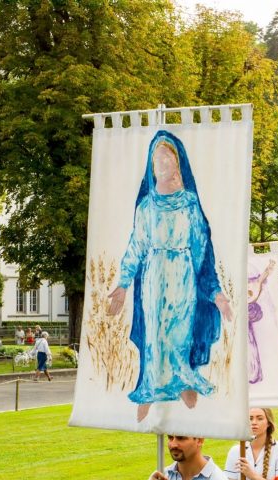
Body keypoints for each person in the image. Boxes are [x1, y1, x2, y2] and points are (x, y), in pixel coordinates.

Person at [108, 131, 234, 423]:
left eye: (168, 158)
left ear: (178, 163)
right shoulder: (147, 206)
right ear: (151, 167)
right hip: (153, 277)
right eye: (157, 160)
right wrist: (124, 284)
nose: (163, 164)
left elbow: (203, 250)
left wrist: (216, 294)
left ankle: (185, 386)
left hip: (183, 277)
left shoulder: (189, 204)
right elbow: (136, 246)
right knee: (154, 336)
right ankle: (150, 390)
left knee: (178, 334)